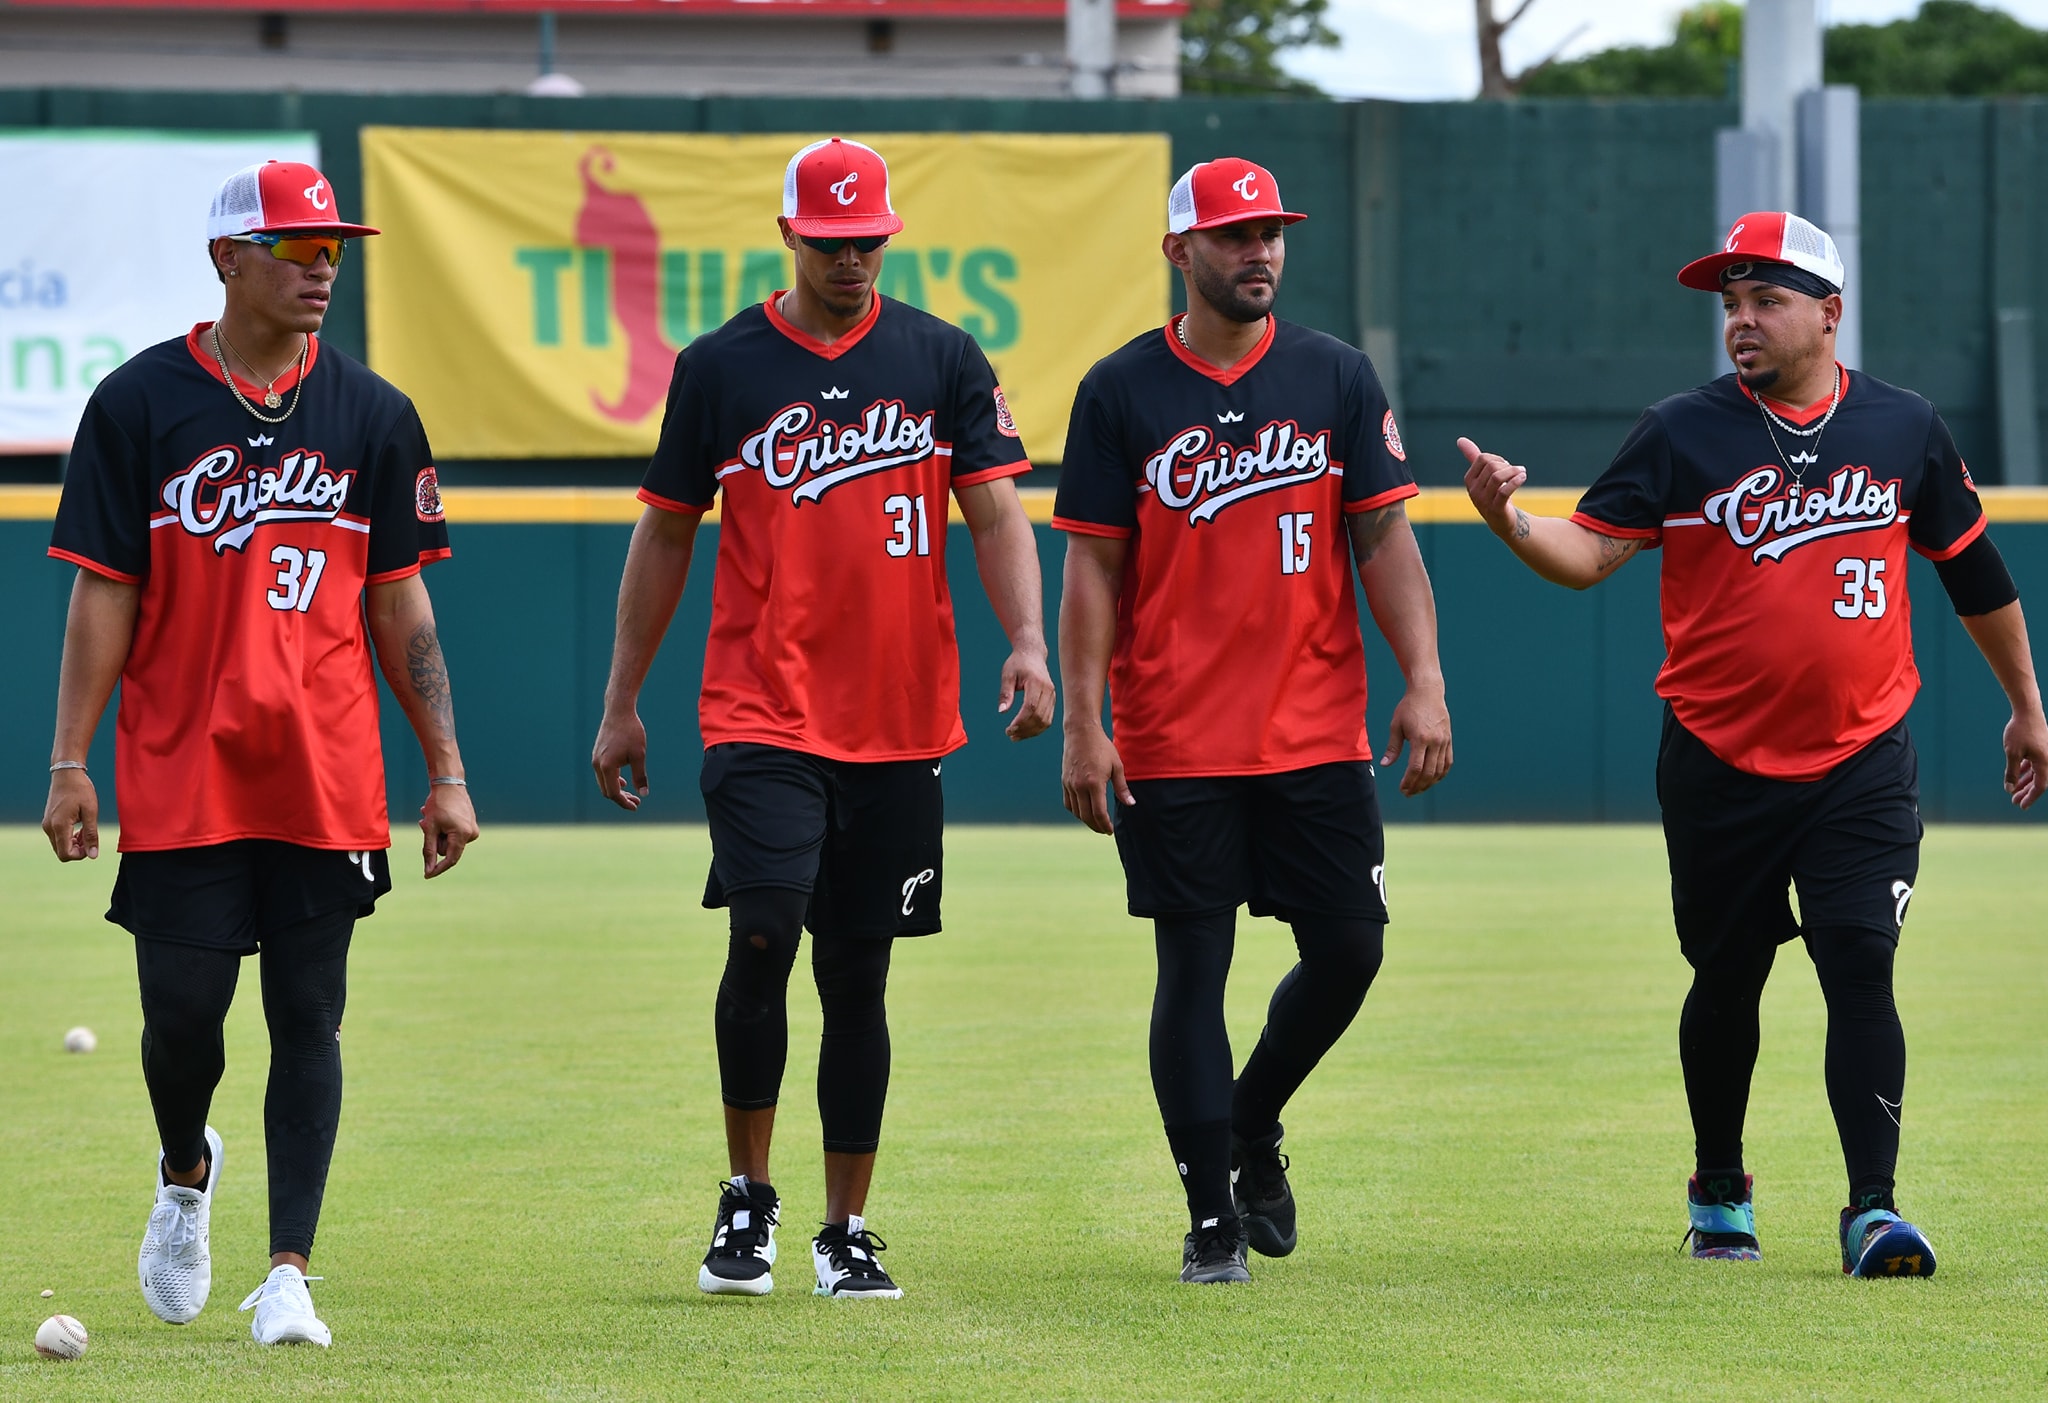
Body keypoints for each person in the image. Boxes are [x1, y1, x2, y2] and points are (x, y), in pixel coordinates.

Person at [1460, 211, 2048, 1277]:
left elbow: (1970, 571)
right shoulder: (1681, 430)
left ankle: (1871, 1206)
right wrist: (1508, 519)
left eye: (1763, 300)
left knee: (1857, 957)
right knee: (1726, 978)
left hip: (1860, 751)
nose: (1739, 321)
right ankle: (1718, 1186)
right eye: (1728, 304)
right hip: (1717, 758)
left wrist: (2025, 702)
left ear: (1828, 312)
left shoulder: (1903, 426)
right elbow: (1588, 554)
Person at [591, 137, 1055, 1301]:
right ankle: (746, 1197)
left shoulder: (941, 356)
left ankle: (846, 1224)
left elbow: (996, 513)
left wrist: (1031, 642)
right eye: (831, 239)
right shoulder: (721, 366)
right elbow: (663, 532)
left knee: (859, 976)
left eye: (870, 240)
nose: (852, 258)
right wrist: (621, 702)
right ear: (789, 234)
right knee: (763, 934)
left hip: (899, 721)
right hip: (762, 711)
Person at [41, 159, 479, 1344]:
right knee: (183, 1017)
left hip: (325, 770)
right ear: (228, 258)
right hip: (184, 764)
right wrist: (69, 759)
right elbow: (102, 595)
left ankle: (289, 1266)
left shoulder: (374, 414)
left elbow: (402, 608)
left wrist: (443, 767)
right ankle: (186, 1171)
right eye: (297, 245)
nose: (322, 265)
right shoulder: (138, 404)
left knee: (309, 1014)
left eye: (334, 246)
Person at [1055, 158, 1453, 1285]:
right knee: (1193, 966)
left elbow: (1382, 541)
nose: (1258, 252)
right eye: (1232, 236)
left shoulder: (1332, 376)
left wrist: (1420, 676)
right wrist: (1085, 722)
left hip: (1315, 732)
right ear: (1179, 252)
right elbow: (1090, 565)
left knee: (1349, 948)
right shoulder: (1121, 387)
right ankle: (1208, 1216)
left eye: (1271, 232)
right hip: (1175, 739)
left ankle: (1250, 1121)